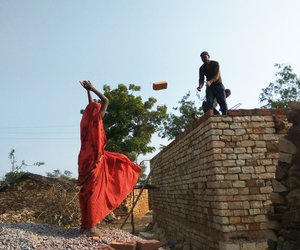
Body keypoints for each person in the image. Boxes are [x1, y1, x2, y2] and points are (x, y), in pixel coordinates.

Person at [78, 80, 141, 237]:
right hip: (95, 162)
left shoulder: (85, 124)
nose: (98, 106)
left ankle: (85, 225)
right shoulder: (96, 121)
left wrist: (88, 92)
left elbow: (91, 105)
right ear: (96, 113)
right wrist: (92, 88)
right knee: (94, 192)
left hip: (84, 163)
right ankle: (91, 226)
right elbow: (106, 100)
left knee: (86, 193)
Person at [197, 51, 228, 115]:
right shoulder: (202, 68)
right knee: (209, 102)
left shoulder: (215, 64)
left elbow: (217, 76)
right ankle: (212, 116)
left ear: (208, 56)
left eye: (205, 57)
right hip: (210, 87)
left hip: (218, 85)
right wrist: (200, 86)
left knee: (222, 102)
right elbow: (201, 79)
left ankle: (225, 116)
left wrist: (210, 82)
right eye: (202, 58)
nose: (204, 59)